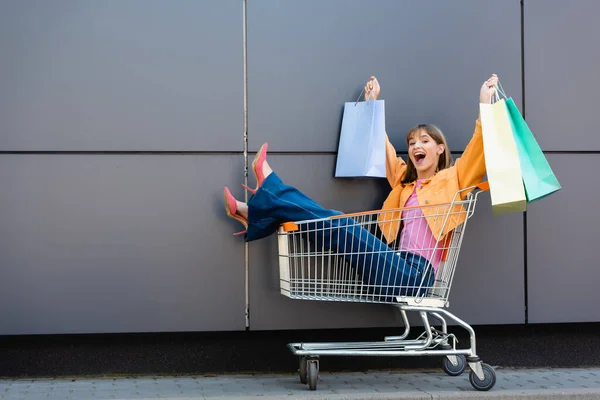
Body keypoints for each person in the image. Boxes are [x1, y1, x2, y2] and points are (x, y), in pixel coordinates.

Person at [223, 74, 498, 298]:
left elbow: (478, 152)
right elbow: (381, 146)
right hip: (393, 265)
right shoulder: (405, 182)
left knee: (341, 222)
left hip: (415, 276)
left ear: (440, 149)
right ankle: (261, 211)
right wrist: (370, 104)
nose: (416, 146)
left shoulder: (454, 179)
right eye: (412, 142)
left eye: (424, 141)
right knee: (330, 226)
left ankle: (269, 195)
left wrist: (485, 104)